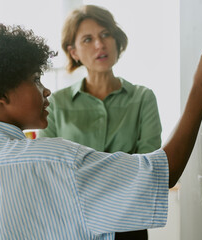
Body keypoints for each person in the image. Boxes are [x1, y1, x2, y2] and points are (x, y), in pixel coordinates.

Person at [0, 23, 202, 240]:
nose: (46, 89)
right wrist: (201, 88)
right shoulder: (58, 160)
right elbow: (161, 172)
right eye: (35, 79)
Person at [38, 6, 161, 238]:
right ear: (73, 52)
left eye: (106, 34)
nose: (99, 45)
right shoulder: (55, 103)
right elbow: (49, 170)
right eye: (88, 39)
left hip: (128, 225)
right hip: (71, 224)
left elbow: (148, 167)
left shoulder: (143, 98)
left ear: (117, 41)